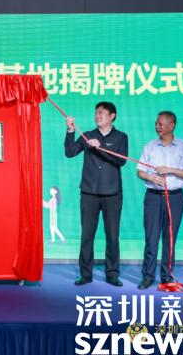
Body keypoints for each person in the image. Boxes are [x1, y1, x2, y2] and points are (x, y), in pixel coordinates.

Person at [64, 101, 128, 287]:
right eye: (96, 113)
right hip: (89, 193)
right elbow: (70, 152)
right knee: (87, 235)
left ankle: (112, 274)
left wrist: (100, 148)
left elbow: (121, 161)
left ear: (112, 116)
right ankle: (85, 274)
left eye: (101, 113)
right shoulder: (88, 135)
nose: (97, 116)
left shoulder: (121, 137)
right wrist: (70, 131)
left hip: (112, 193)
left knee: (112, 236)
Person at [136, 111, 183, 290]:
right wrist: (151, 177)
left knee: (170, 238)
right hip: (153, 197)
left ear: (172, 125)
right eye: (156, 123)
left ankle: (167, 277)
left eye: (161, 124)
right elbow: (140, 171)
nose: (157, 126)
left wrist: (170, 170)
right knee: (151, 238)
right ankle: (147, 276)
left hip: (175, 197)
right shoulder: (150, 146)